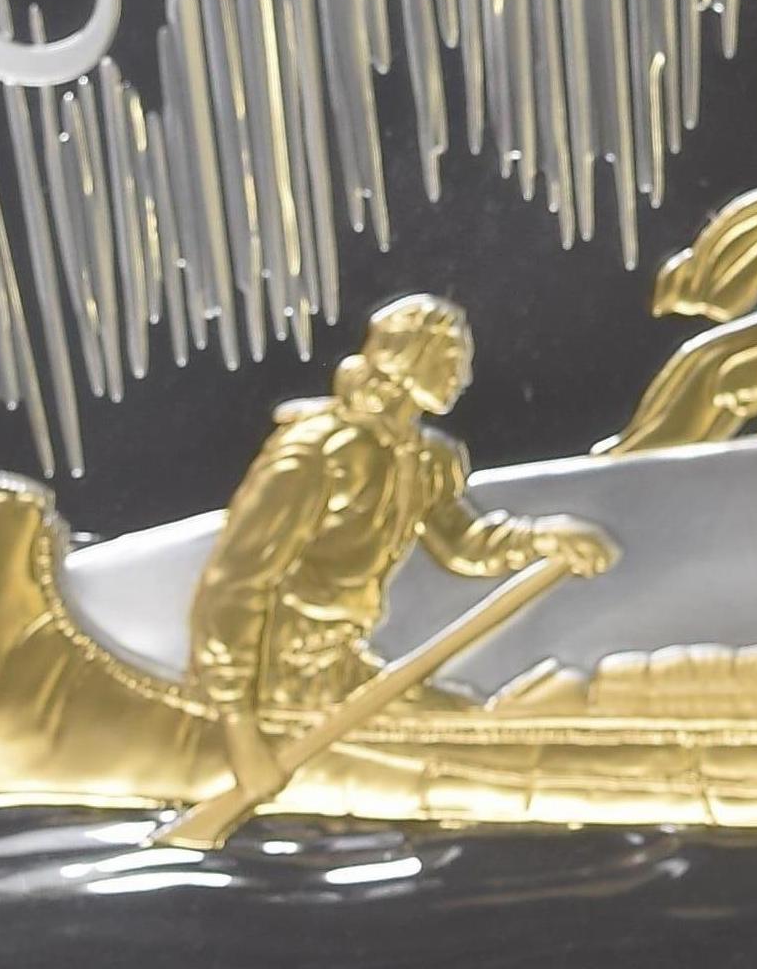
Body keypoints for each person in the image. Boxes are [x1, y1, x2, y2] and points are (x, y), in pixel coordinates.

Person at [188, 293, 614, 795]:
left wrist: (543, 537)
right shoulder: (316, 454)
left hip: (342, 668)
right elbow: (236, 583)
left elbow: (464, 543)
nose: (463, 377)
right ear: (407, 357)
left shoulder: (427, 457)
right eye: (451, 359)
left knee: (467, 724)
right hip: (273, 681)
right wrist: (240, 734)